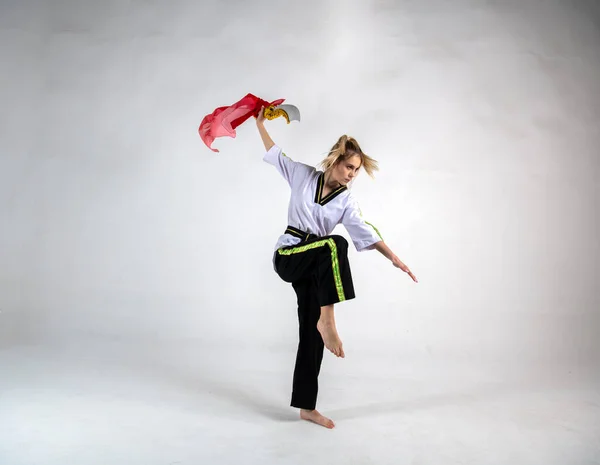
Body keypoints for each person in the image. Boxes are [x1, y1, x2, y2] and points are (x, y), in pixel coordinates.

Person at [256, 107, 418, 429]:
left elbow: (366, 233)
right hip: (289, 255)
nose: (352, 175)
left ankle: (306, 406)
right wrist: (260, 122)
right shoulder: (302, 175)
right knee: (334, 243)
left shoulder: (347, 201)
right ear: (335, 161)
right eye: (349, 167)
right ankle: (328, 320)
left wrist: (394, 258)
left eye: (357, 170)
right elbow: (274, 153)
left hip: (314, 266)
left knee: (310, 334)